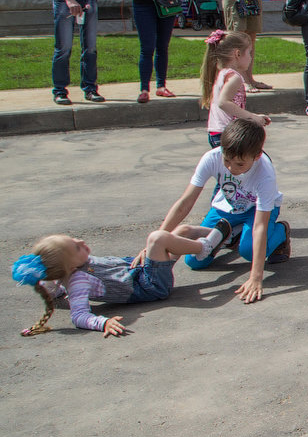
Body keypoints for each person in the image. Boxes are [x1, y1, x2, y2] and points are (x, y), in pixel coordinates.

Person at [12, 224, 232, 338]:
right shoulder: (77, 280)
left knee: (182, 231)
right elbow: (78, 316)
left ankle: (228, 238)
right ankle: (205, 248)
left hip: (140, 270)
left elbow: (53, 278)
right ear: (69, 267)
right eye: (76, 246)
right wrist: (103, 322)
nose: (81, 240)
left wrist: (47, 286)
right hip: (149, 286)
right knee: (158, 238)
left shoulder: (65, 271)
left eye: (74, 239)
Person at [157, 119, 291, 303]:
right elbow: (185, 202)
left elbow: (259, 226)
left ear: (257, 156)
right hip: (228, 207)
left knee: (249, 251)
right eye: (227, 160)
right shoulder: (211, 157)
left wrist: (256, 277)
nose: (231, 168)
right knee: (195, 261)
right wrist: (158, 237)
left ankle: (281, 232)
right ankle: (230, 236)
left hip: (257, 211)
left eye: (239, 164)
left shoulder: (265, 173)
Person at [201, 30, 270, 149]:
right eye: (249, 53)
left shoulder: (222, 73)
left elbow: (230, 107)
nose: (251, 57)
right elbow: (223, 103)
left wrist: (254, 117)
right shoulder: (234, 77)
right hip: (227, 134)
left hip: (217, 133)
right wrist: (252, 118)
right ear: (237, 54)